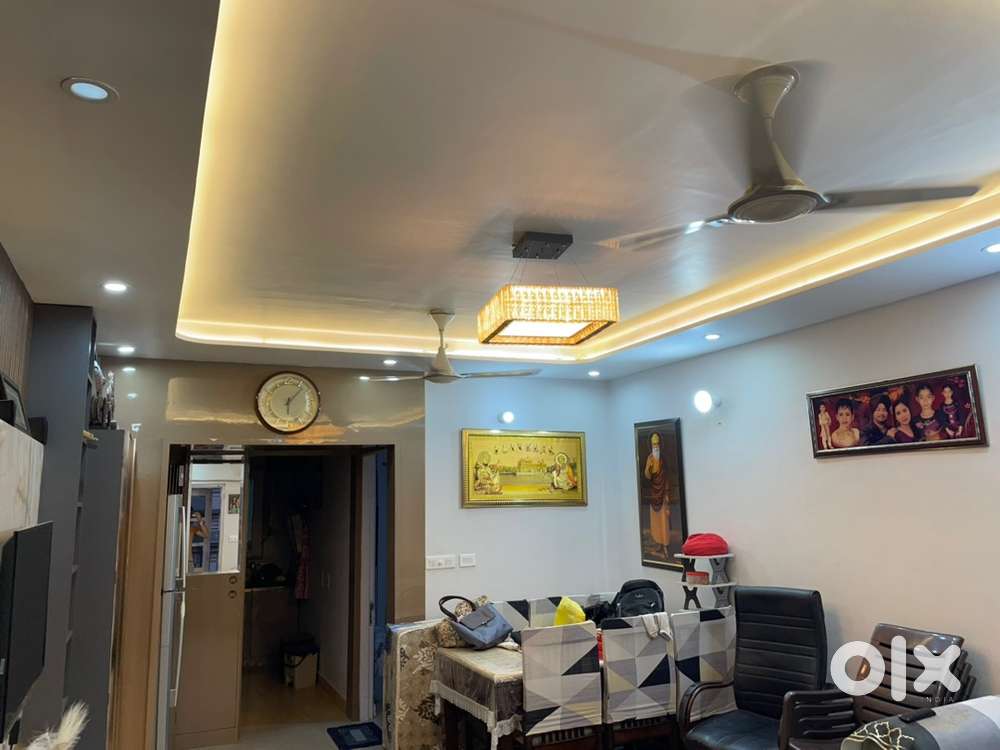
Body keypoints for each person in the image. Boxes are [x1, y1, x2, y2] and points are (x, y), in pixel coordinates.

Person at [643, 433, 671, 558]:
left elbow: (667, 477)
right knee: (655, 522)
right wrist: (648, 467)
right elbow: (647, 476)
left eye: (657, 444)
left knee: (664, 521)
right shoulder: (649, 458)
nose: (656, 446)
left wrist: (667, 493)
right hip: (654, 494)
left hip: (663, 493)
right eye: (654, 444)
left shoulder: (663, 459)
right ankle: (659, 544)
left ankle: (665, 545)